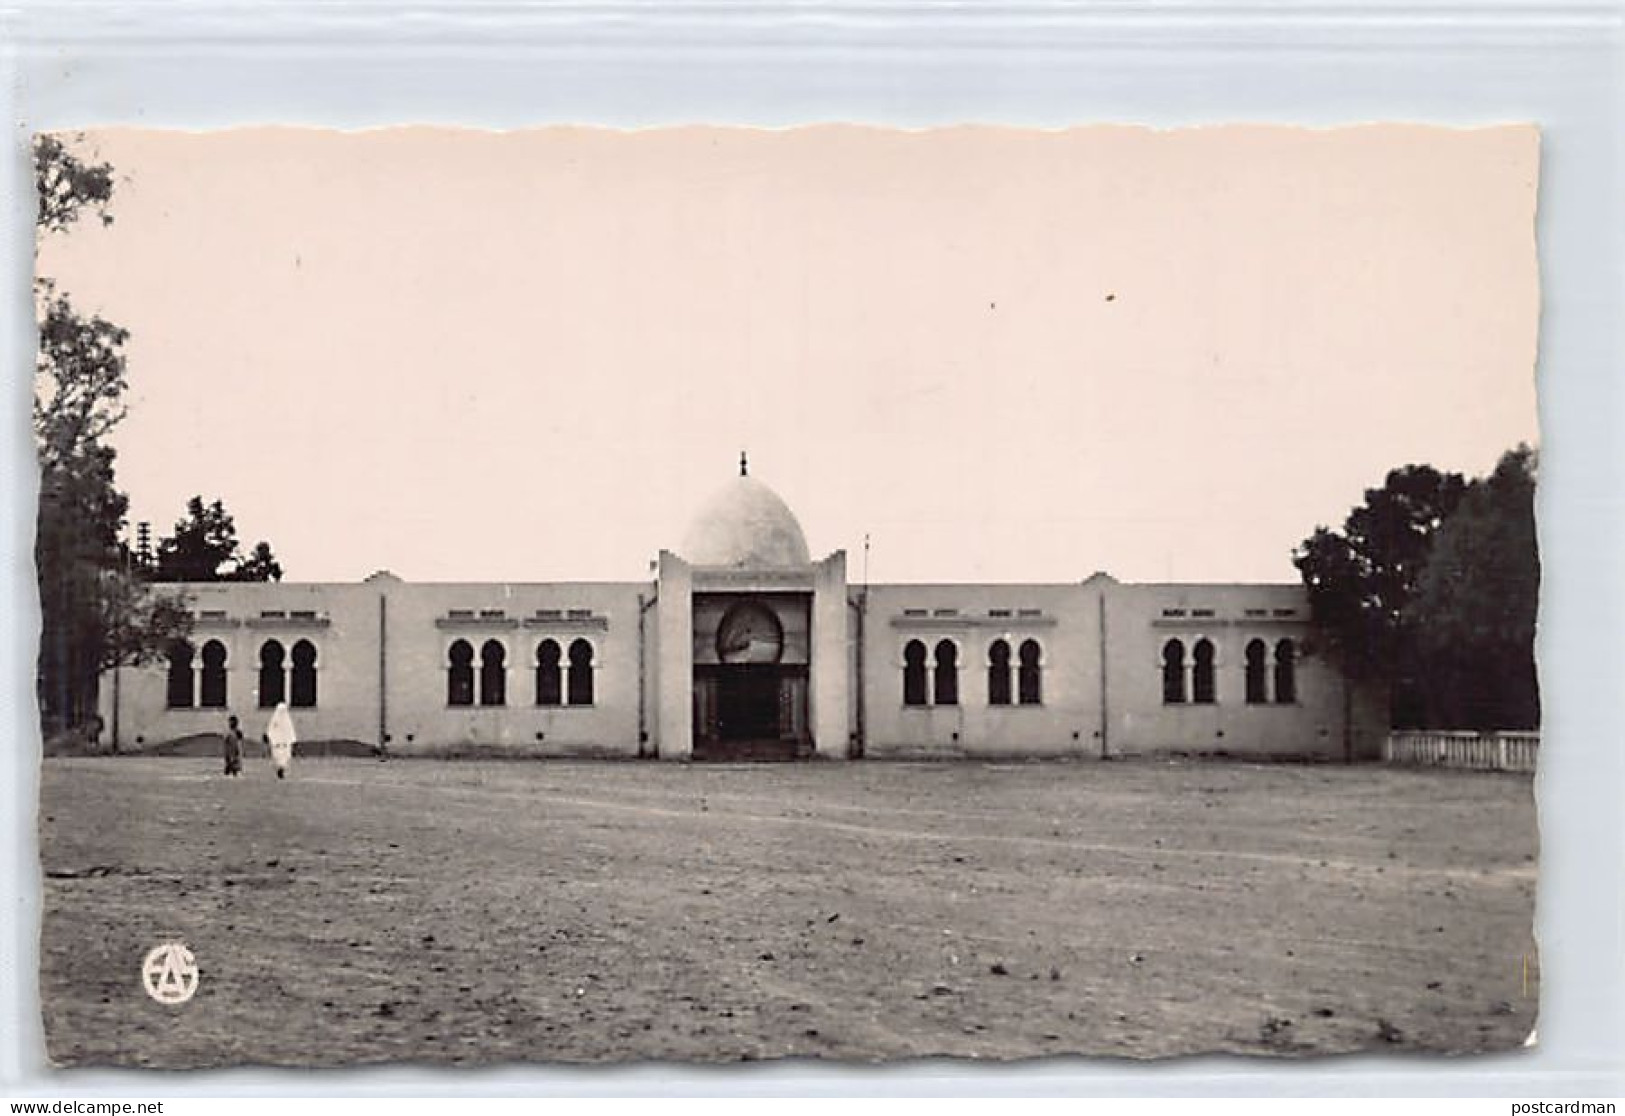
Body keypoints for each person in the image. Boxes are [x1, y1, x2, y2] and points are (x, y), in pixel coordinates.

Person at [266, 702, 297, 779]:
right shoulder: (274, 721)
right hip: (277, 744)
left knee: (285, 757)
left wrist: (291, 742)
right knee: (278, 757)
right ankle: (280, 769)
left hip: (285, 744)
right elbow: (271, 730)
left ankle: (282, 770)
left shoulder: (287, 721)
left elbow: (290, 731)